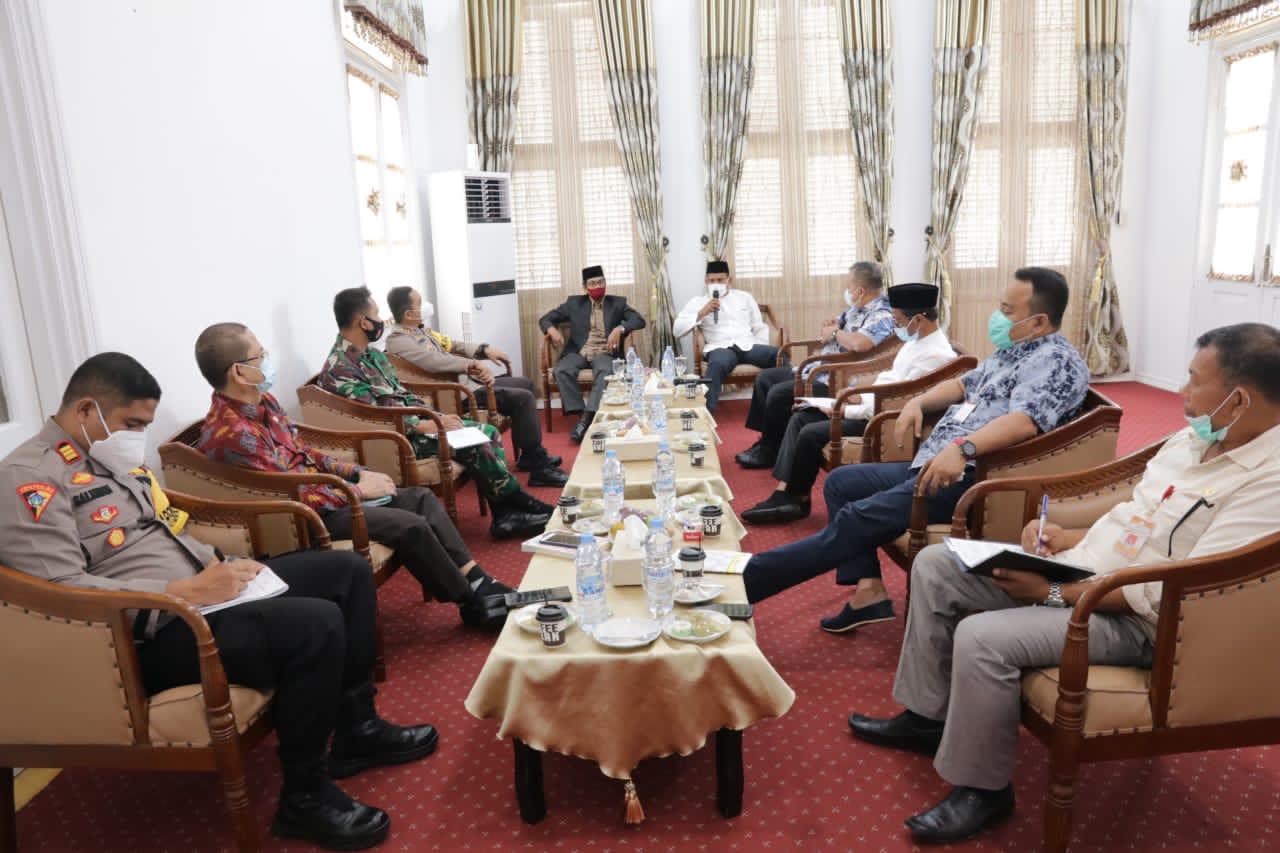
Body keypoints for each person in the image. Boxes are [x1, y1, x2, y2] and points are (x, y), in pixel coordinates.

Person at [848, 323, 1280, 844]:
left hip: (1140, 622)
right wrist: (1063, 536)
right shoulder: (1196, 439)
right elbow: (1136, 514)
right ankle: (925, 717)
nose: (1183, 394)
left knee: (982, 639)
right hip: (1084, 575)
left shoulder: (1267, 482)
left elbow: (1193, 590)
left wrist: (1054, 593)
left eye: (1193, 381)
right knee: (939, 567)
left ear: (1237, 400)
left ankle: (984, 791)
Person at [0, 352, 438, 850]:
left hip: (201, 597)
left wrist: (220, 563)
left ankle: (356, 727)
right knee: (314, 625)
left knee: (345, 571)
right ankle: (306, 797)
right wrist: (176, 593)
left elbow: (164, 531)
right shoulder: (28, 479)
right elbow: (59, 594)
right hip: (142, 637)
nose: (138, 436)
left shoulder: (102, 455)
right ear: (85, 411)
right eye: (132, 423)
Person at [742, 267, 1090, 634]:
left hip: (971, 476)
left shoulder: (1054, 361)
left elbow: (1024, 422)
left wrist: (963, 448)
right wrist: (919, 402)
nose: (998, 318)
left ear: (1038, 322)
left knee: (856, 518)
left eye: (1007, 310)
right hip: (934, 461)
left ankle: (752, 579)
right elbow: (961, 385)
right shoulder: (1015, 351)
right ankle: (869, 593)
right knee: (842, 483)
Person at [193, 322, 513, 629]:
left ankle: (476, 577)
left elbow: (308, 454)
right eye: (260, 355)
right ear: (238, 371)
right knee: (409, 526)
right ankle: (471, 601)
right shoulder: (232, 433)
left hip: (327, 495)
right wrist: (357, 492)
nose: (267, 361)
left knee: (421, 499)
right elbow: (290, 491)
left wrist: (358, 474)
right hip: (306, 517)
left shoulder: (264, 403)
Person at [317, 286, 552, 540]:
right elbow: (372, 412)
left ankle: (505, 513)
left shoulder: (372, 355)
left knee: (488, 431)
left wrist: (435, 416)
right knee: (477, 443)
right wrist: (419, 425)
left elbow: (401, 392)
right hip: (395, 439)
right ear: (362, 321)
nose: (381, 320)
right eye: (376, 314)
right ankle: (517, 504)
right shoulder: (340, 367)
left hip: (416, 424)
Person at [742, 283, 956, 525]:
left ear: (918, 319)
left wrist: (845, 408)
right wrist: (856, 392)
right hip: (872, 405)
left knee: (811, 432)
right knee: (801, 417)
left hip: (883, 421)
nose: (896, 327)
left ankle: (794, 495)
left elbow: (899, 401)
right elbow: (891, 382)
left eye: (897, 320)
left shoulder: (936, 355)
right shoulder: (916, 340)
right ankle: (788, 494)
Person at [384, 286, 567, 486]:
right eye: (420, 304)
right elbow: (433, 360)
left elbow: (453, 345)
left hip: (464, 386)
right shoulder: (399, 341)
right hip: (451, 395)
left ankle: (529, 454)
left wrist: (484, 350)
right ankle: (537, 466)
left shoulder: (419, 331)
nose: (425, 307)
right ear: (409, 314)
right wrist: (470, 364)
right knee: (523, 398)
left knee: (526, 384)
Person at [736, 261, 895, 470]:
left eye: (848, 287)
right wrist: (832, 326)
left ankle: (769, 451)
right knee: (765, 378)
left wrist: (837, 333)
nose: (846, 292)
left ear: (860, 290)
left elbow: (859, 343)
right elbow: (829, 331)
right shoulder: (855, 309)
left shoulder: (881, 314)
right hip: (819, 369)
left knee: (778, 393)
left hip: (837, 377)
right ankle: (769, 441)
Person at [538, 265, 647, 444]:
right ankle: (584, 415)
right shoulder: (574, 303)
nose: (597, 286)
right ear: (585, 287)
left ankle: (585, 421)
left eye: (601, 282)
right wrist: (552, 329)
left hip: (605, 352)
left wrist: (620, 328)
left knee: (605, 373)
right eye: (593, 283)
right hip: (578, 351)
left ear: (605, 282)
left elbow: (639, 320)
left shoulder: (617, 303)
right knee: (561, 370)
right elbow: (545, 318)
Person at [673, 260, 780, 412]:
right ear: (706, 281)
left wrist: (760, 348)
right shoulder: (698, 302)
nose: (716, 283)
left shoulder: (744, 297)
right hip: (720, 347)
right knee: (717, 365)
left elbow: (759, 327)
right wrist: (702, 312)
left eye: (720, 280)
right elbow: (677, 330)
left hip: (748, 345)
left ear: (729, 280)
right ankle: (707, 413)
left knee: (778, 356)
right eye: (712, 280)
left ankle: (784, 405)